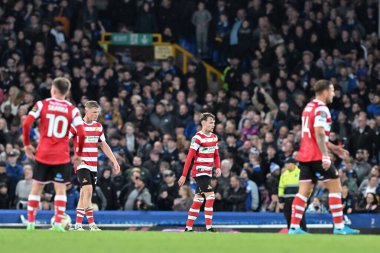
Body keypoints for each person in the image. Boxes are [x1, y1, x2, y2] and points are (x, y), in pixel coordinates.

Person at [289, 79, 360, 235]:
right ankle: (340, 227)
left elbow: (313, 136)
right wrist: (325, 156)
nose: (333, 94)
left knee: (303, 191)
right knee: (336, 188)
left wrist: (335, 149)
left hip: (305, 155)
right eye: (332, 90)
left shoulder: (308, 107)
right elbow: (319, 133)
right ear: (325, 91)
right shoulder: (322, 109)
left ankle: (294, 228)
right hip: (317, 156)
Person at [22, 77, 85, 232]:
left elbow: (26, 123)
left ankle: (30, 223)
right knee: (61, 190)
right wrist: (78, 153)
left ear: (53, 89)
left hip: (43, 154)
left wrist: (27, 144)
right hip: (61, 155)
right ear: (67, 92)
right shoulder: (73, 110)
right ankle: (57, 224)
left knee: (36, 188)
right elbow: (82, 133)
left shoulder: (42, 104)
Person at [69, 101, 120, 231]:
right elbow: (64, 139)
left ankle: (78, 225)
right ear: (86, 110)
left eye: (97, 112)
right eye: (94, 112)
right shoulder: (76, 125)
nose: (96, 115)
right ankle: (92, 224)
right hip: (81, 163)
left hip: (93, 165)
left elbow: (103, 145)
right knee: (88, 191)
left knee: (83, 194)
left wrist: (114, 161)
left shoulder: (98, 126)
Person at [178, 113, 221, 232]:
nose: (213, 124)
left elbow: (216, 155)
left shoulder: (214, 137)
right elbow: (189, 157)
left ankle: (188, 227)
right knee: (211, 196)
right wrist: (184, 175)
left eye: (214, 122)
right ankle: (209, 227)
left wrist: (218, 167)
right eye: (210, 122)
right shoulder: (197, 138)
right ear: (203, 123)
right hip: (199, 172)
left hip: (208, 172)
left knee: (199, 199)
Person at [278, 158, 306, 231]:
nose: (286, 165)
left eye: (288, 163)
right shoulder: (284, 175)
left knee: (300, 216)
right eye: (286, 164)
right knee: (288, 216)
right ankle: (290, 230)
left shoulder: (300, 173)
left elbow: (304, 186)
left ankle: (303, 230)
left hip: (298, 199)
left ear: (293, 164)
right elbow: (281, 188)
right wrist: (281, 201)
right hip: (287, 200)